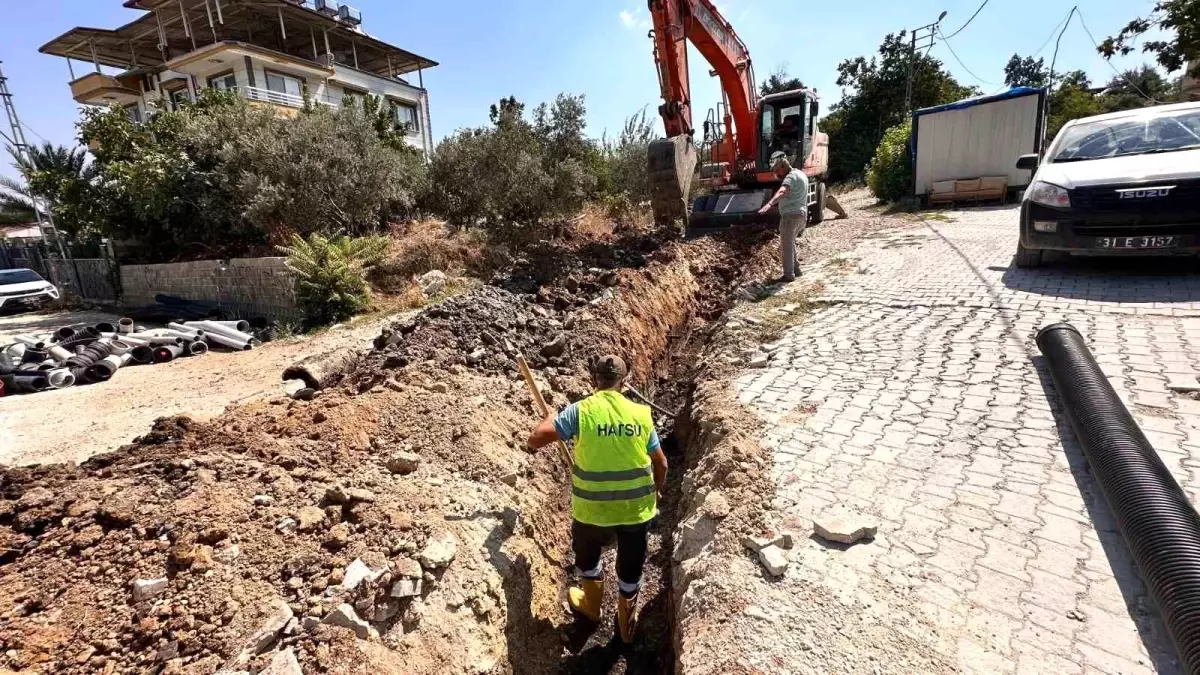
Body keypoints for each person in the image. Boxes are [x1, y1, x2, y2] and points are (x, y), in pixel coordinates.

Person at [526, 354, 668, 644]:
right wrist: (657, 490)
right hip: (635, 510)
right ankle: (626, 627)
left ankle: (591, 610)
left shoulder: (580, 412)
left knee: (588, 559)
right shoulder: (640, 414)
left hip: (592, 511)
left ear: (595, 380)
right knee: (630, 568)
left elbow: (536, 439)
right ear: (624, 382)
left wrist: (550, 418)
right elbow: (661, 464)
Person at [758, 150, 810, 282]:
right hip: (802, 216)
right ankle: (796, 270)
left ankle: (788, 275)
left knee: (786, 246)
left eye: (776, 170)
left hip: (790, 217)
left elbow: (783, 191)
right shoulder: (801, 174)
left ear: (782, 165)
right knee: (790, 242)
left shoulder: (790, 177)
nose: (776, 173)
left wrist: (769, 204)